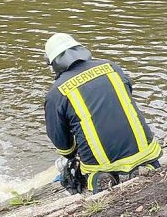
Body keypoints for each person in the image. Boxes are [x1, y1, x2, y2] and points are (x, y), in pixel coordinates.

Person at [43, 33, 161, 194]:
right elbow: (128, 95)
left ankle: (100, 177)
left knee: (93, 171)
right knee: (144, 156)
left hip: (99, 160)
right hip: (144, 147)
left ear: (53, 63)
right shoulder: (111, 67)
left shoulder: (56, 93)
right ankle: (144, 167)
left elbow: (59, 138)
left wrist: (71, 154)